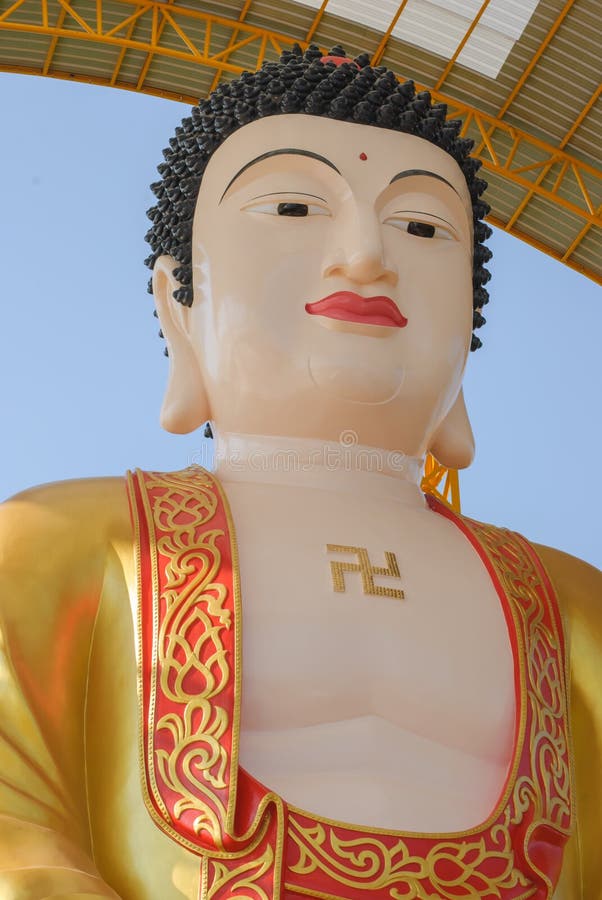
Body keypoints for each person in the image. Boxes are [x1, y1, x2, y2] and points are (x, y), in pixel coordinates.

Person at [0, 44, 599, 900]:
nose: (366, 256)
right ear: (179, 304)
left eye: (423, 228)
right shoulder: (63, 543)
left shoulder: (573, 608)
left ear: (468, 327)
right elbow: (14, 844)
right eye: (291, 205)